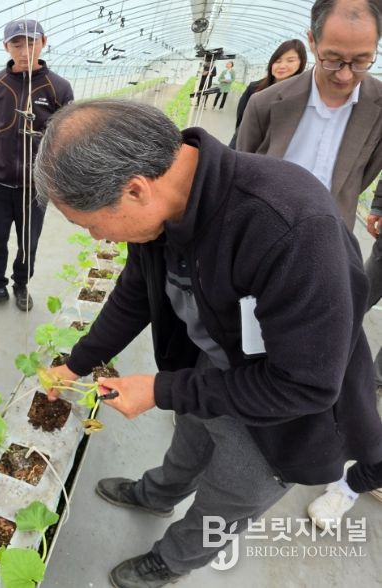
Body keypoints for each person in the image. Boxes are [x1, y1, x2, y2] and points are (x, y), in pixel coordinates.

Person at [33, 99, 382, 587]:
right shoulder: (164, 209)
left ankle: (171, 561)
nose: (97, 239)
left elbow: (305, 387)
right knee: (190, 441)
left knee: (229, 496)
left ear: (134, 190)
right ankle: (156, 494)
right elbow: (137, 291)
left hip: (285, 420)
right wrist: (79, 363)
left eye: (90, 224)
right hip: (210, 372)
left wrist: (162, 390)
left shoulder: (288, 229)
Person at [237, 0, 382, 526]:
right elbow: (239, 170)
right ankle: (233, 412)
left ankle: (320, 455)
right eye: (334, 59)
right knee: (248, 333)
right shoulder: (270, 102)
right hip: (256, 248)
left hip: (329, 254)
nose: (346, 75)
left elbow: (364, 175)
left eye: (362, 61)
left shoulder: (380, 106)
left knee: (323, 357)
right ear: (312, 43)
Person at [0, 18, 74, 313]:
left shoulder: (59, 88)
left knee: (29, 240)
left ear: (43, 41)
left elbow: (63, 135)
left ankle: (21, 284)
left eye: (31, 41)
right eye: (17, 43)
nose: (24, 49)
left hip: (35, 185)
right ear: (6, 47)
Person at [229, 39, 307, 147]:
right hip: (244, 143)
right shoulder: (254, 88)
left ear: (301, 63)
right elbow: (241, 120)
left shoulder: (301, 95)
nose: (282, 66)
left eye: (290, 60)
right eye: (278, 61)